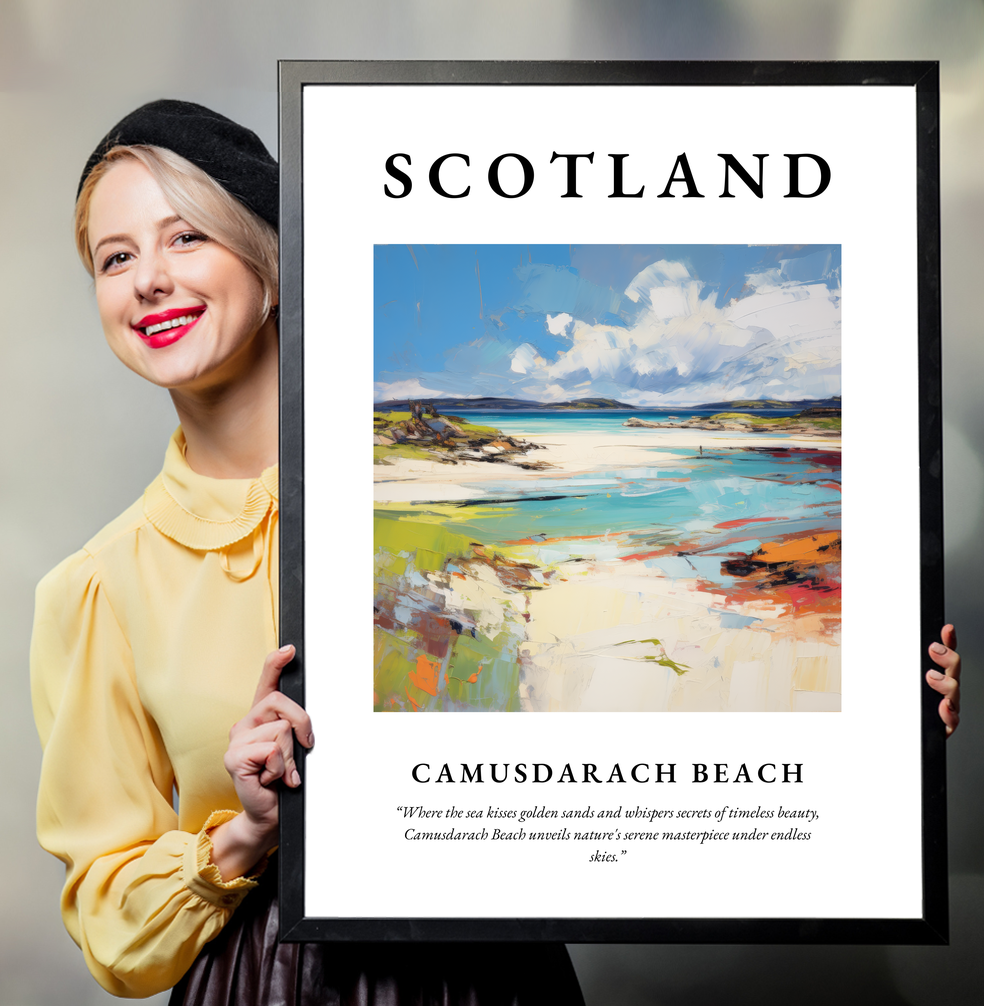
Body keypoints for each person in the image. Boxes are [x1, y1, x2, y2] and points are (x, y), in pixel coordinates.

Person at [30, 100, 585, 1004]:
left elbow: (603, 699)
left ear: (273, 264)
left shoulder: (444, 499)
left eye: (186, 239)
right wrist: (245, 832)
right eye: (116, 257)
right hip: (263, 981)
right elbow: (110, 924)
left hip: (493, 973)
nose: (148, 281)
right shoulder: (97, 587)